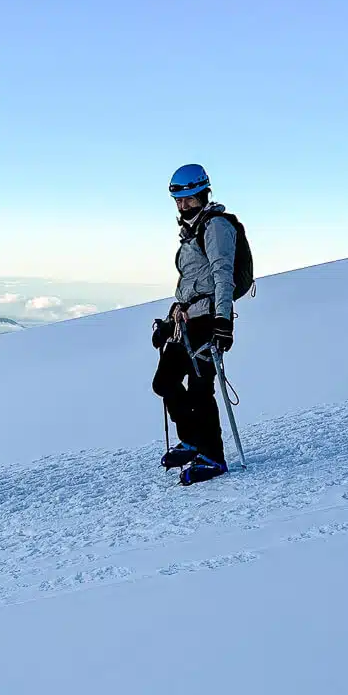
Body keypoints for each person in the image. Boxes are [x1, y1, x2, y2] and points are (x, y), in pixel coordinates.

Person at [151, 164, 236, 485]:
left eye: (189, 199)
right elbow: (191, 280)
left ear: (203, 193)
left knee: (201, 391)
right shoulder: (193, 231)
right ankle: (191, 442)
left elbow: (222, 274)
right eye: (178, 201)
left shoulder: (215, 227)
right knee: (164, 383)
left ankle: (212, 456)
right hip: (184, 321)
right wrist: (172, 313)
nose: (183, 206)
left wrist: (223, 322)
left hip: (207, 319)